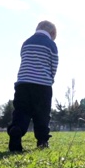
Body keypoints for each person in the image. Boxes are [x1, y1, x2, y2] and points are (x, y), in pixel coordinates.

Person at [7, 20, 59, 152]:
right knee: (41, 114)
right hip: (42, 84)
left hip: (23, 83)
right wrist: (50, 79)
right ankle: (42, 140)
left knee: (21, 111)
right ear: (52, 33)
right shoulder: (51, 45)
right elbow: (54, 65)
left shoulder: (26, 42)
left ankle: (16, 130)